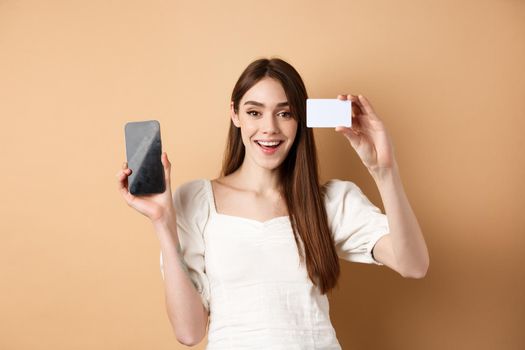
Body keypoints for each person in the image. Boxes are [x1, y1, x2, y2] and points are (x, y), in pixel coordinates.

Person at [116, 57, 429, 349]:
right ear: (235, 114)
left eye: (285, 113)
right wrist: (163, 224)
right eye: (255, 112)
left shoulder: (329, 202)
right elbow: (189, 332)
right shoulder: (196, 201)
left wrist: (384, 171)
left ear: (300, 120)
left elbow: (413, 264)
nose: (269, 128)